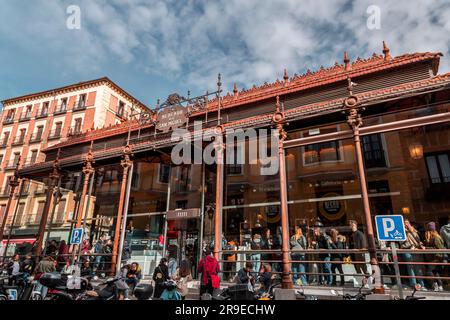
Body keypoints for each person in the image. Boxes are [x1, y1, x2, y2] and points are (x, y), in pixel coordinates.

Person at [400, 220, 426, 289]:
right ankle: (414, 284)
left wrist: (411, 231)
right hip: (407, 250)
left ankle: (422, 284)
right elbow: (402, 243)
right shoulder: (401, 232)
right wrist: (410, 245)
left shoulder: (414, 230)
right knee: (410, 267)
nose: (406, 225)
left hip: (415, 250)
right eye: (404, 223)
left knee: (418, 267)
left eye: (407, 223)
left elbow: (418, 239)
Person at [424, 222, 445, 291]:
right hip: (434, 257)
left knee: (429, 271)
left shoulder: (436, 237)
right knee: (435, 271)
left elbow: (438, 248)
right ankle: (439, 285)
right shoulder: (434, 237)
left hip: (436, 258)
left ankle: (436, 285)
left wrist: (426, 248)